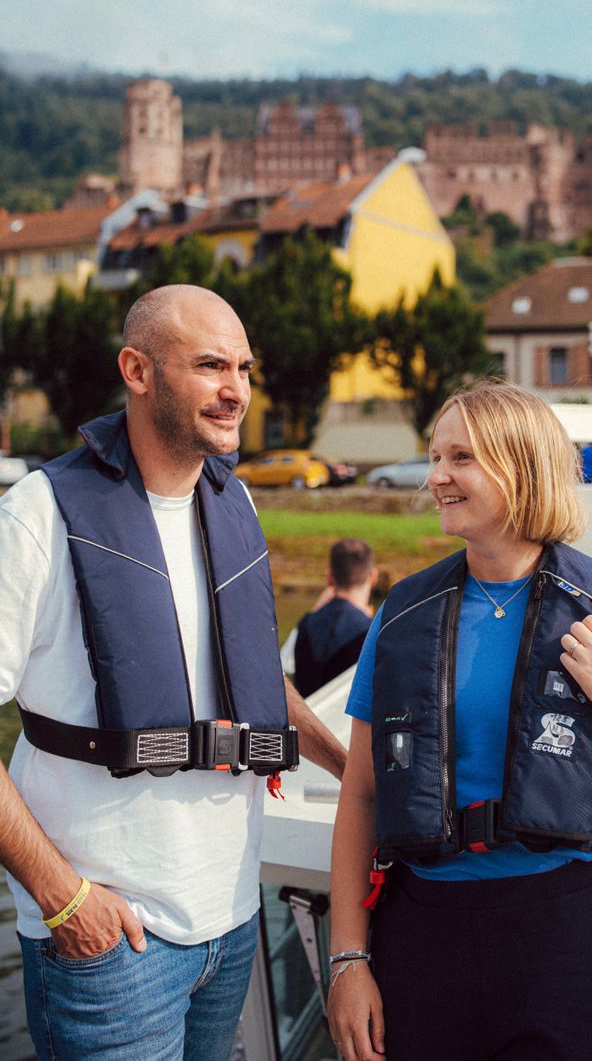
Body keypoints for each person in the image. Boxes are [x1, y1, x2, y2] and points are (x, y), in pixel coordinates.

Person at [0, 284, 346, 1061]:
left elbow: (254, 685)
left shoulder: (235, 503)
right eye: (211, 366)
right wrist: (64, 901)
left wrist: (348, 767)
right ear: (138, 370)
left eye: (245, 369)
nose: (237, 392)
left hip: (229, 920)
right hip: (110, 944)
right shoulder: (39, 513)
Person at [327, 378, 592, 1061]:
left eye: (461, 458)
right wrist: (348, 961)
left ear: (520, 467)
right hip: (430, 931)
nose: (436, 476)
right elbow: (359, 791)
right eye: (436, 456)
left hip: (575, 926)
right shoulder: (403, 616)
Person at [280, 538, 377, 697]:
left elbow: (284, 668)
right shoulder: (372, 633)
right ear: (373, 577)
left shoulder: (306, 625)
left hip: (306, 718)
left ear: (330, 578)